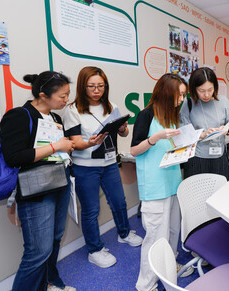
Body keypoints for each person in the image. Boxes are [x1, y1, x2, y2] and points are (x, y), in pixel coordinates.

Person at [0, 71, 75, 291]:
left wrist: (65, 147)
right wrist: (55, 146)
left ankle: (48, 284)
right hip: (36, 190)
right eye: (62, 96)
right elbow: (14, 157)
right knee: (38, 251)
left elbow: (57, 151)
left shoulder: (55, 118)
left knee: (54, 240)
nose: (65, 100)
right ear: (43, 95)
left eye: (67, 95)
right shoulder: (19, 116)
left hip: (60, 182)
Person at [62, 66, 142, 268]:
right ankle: (94, 250)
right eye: (92, 86)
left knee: (119, 201)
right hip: (85, 167)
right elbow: (75, 143)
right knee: (91, 210)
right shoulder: (73, 110)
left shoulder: (111, 106)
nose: (97, 90)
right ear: (83, 86)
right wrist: (91, 142)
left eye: (101, 86)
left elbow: (122, 134)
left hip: (109, 163)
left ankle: (124, 233)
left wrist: (123, 128)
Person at [131, 73, 193, 291]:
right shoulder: (146, 115)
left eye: (184, 95)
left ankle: (168, 264)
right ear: (167, 93)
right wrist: (154, 138)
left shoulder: (171, 116)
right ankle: (146, 284)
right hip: (155, 188)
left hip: (173, 183)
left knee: (173, 231)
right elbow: (134, 150)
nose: (182, 99)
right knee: (155, 238)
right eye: (180, 95)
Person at [179, 67, 229, 180]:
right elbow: (182, 134)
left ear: (215, 87)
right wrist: (201, 135)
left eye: (210, 90)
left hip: (219, 158)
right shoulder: (188, 104)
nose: (206, 95)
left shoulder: (223, 101)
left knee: (219, 193)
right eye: (201, 91)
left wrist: (227, 130)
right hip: (196, 160)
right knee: (197, 195)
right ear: (194, 88)